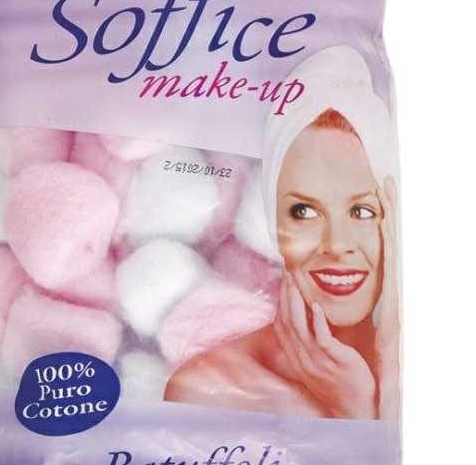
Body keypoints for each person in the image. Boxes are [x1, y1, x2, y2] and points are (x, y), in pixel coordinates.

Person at [164, 46, 400, 420]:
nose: (336, 244)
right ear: (273, 224)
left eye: (362, 211)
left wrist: (360, 401)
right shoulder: (206, 388)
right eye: (304, 211)